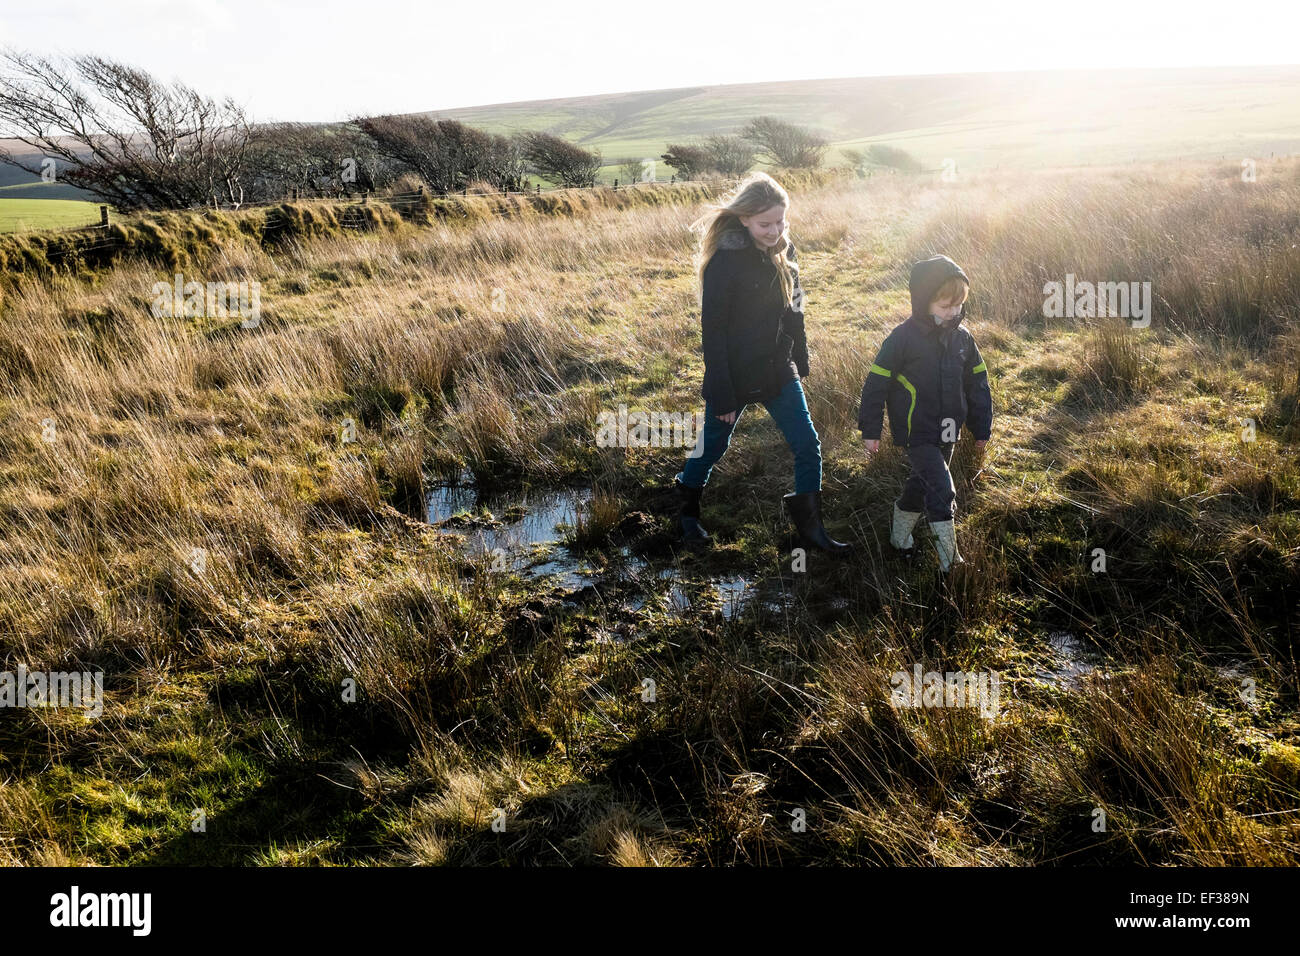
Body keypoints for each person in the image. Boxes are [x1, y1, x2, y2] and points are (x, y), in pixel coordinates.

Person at [672, 172, 852, 556]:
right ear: (744, 219)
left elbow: (796, 307)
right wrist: (721, 390)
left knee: (807, 444)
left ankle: (811, 530)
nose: (775, 231)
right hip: (733, 373)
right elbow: (714, 329)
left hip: (776, 366)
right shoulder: (725, 261)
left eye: (781, 221)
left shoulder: (787, 250)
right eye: (765, 224)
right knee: (714, 446)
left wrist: (799, 355)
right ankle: (687, 509)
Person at [857, 255, 992, 572]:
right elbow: (876, 384)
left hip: (949, 430)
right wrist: (871, 430)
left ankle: (899, 537)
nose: (953, 312)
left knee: (921, 484)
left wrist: (980, 427)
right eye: (945, 306)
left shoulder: (963, 340)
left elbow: (978, 384)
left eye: (958, 305)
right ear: (923, 302)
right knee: (943, 489)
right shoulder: (902, 339)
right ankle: (949, 561)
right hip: (915, 431)